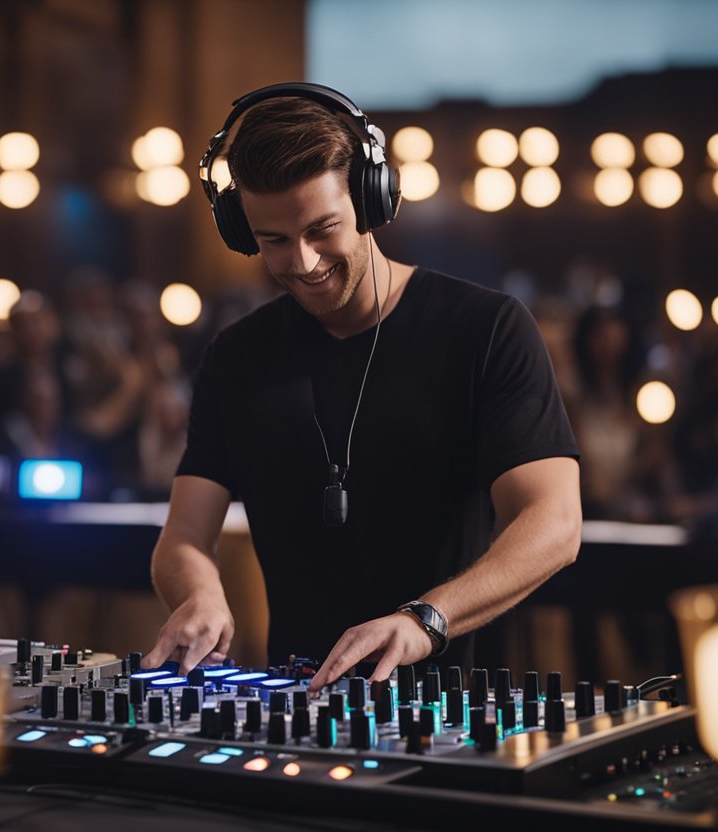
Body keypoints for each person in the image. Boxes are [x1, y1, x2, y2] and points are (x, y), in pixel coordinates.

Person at [141, 83, 581, 691]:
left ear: (371, 203)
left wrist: (425, 620)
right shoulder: (236, 355)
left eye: (323, 228)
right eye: (273, 240)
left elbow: (555, 522)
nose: (302, 261)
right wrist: (200, 594)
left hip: (450, 707)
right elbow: (184, 535)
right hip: (295, 704)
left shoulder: (487, 329)